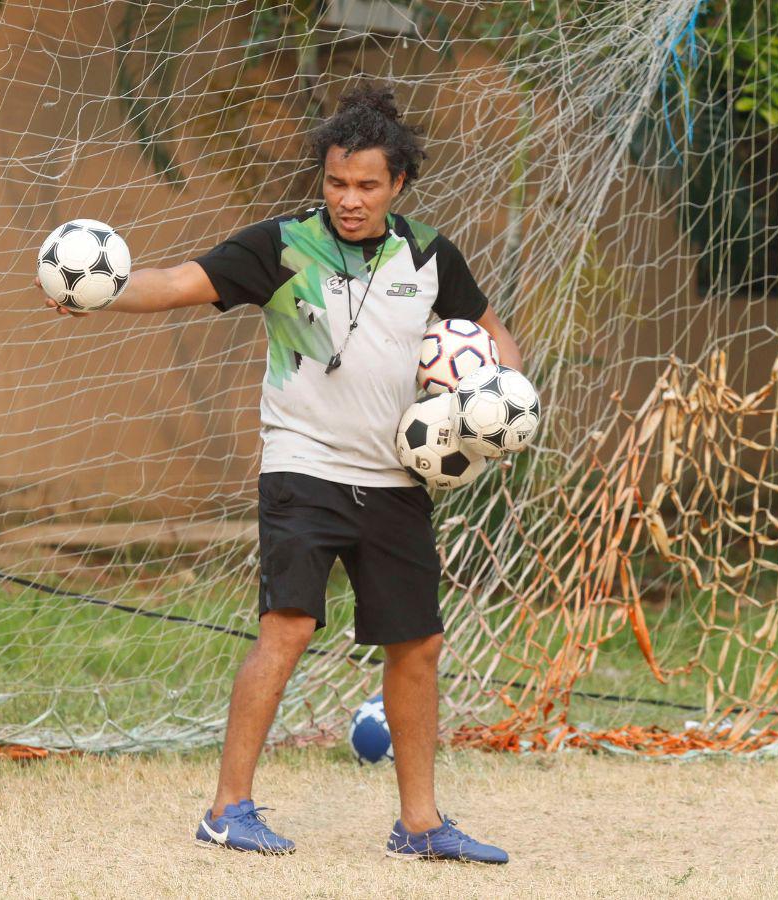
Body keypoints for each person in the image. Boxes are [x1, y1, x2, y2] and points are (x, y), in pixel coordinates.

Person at [39, 84, 521, 864]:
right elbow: (176, 283)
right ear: (321, 180)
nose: (350, 199)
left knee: (419, 645)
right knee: (288, 629)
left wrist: (495, 401)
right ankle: (229, 809)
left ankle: (421, 825)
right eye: (336, 183)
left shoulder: (431, 255)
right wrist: (103, 293)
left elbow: (492, 339)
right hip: (303, 469)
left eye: (367, 185)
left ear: (399, 184)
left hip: (397, 480)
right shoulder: (283, 246)